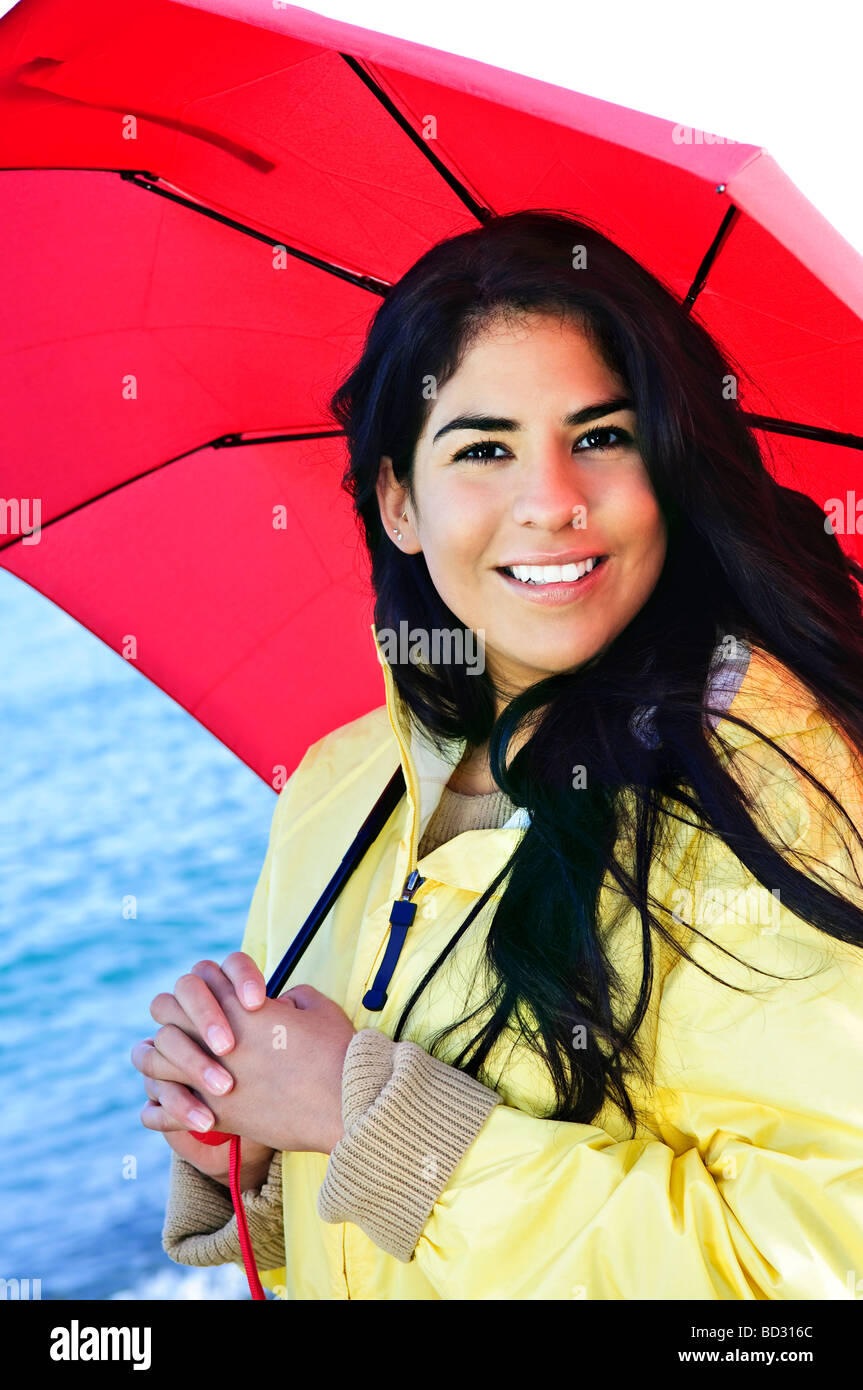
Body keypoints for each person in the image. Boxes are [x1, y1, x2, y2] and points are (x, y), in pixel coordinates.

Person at [132, 210, 863, 1300]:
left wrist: (363, 1112)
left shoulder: (765, 781)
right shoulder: (341, 786)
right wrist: (241, 1139)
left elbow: (808, 1270)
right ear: (398, 502)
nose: (552, 501)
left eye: (601, 436)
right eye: (484, 448)